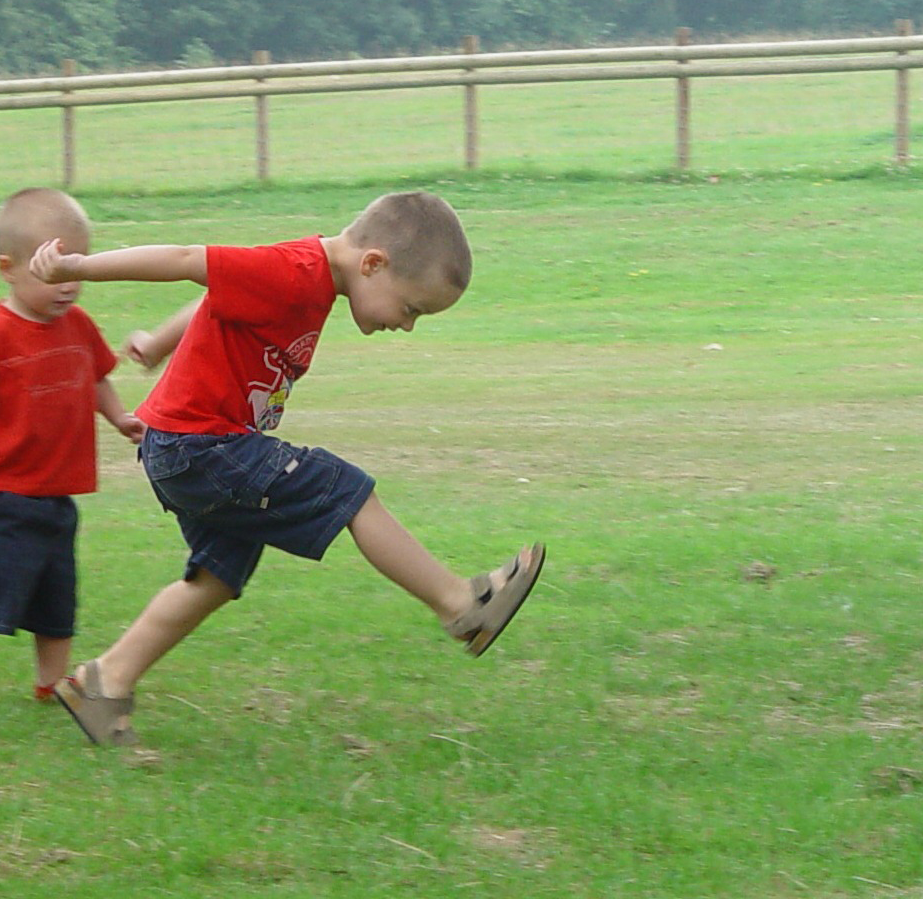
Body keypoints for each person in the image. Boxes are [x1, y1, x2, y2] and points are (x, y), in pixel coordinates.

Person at [27, 190, 543, 746]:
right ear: (373, 263)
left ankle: (105, 682)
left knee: (219, 574)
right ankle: (462, 605)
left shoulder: (311, 280)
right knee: (346, 490)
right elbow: (185, 261)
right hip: (199, 445)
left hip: (192, 446)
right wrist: (75, 267)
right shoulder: (292, 270)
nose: (408, 325)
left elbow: (218, 299)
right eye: (411, 309)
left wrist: (158, 342)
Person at [0, 188, 145, 707]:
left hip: (55, 494)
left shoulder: (78, 327)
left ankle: (52, 684)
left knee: (55, 596)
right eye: (54, 273)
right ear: (8, 267)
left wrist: (120, 418)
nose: (70, 287)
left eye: (77, 271)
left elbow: (94, 379)